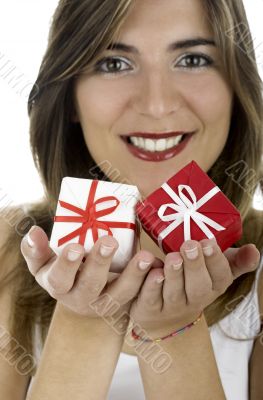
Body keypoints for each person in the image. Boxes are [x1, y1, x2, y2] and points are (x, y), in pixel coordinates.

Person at [0, 0, 263, 399]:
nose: (156, 106)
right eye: (113, 64)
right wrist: (85, 316)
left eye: (192, 59)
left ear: (236, 87)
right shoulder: (7, 249)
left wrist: (171, 330)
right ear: (69, 96)